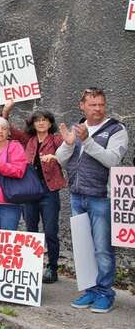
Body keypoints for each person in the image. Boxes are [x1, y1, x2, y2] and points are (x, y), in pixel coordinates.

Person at [56, 87, 128, 314]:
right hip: (77, 195)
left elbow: (113, 160)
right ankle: (90, 289)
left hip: (101, 198)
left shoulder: (116, 129)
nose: (98, 109)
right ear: (82, 105)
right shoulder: (78, 127)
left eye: (101, 104)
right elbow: (60, 160)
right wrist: (68, 143)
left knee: (102, 249)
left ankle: (106, 293)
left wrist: (87, 141)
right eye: (93, 104)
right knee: (84, 248)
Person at [2, 101, 65, 283]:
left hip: (49, 191)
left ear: (49, 123)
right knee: (31, 232)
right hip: (29, 192)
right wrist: (6, 110)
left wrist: (57, 155)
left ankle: (52, 268)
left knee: (51, 231)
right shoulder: (27, 140)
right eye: (38, 120)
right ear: (33, 123)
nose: (41, 123)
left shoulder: (55, 140)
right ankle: (31, 267)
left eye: (45, 120)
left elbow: (69, 148)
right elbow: (8, 129)